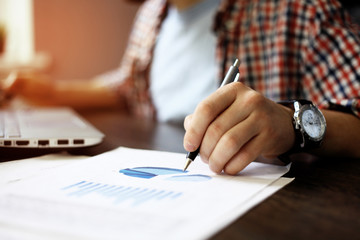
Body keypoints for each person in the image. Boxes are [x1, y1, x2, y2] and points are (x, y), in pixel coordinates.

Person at [3, 0, 360, 175]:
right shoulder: (153, 14)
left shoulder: (298, 9)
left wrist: (292, 124)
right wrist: (51, 93)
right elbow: (129, 86)